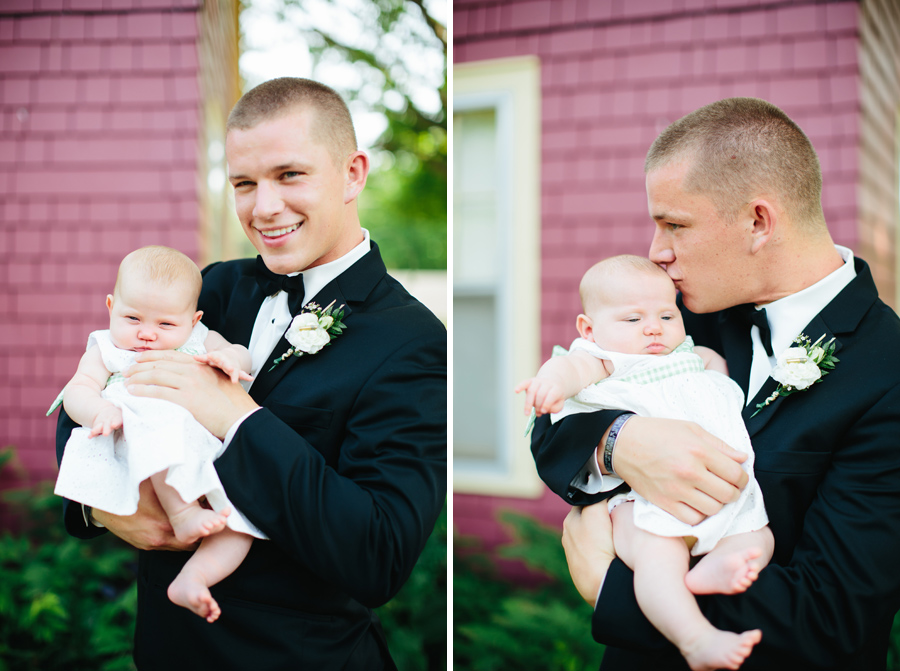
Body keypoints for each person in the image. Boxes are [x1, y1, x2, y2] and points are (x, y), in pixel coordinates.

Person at [55, 78, 447, 670]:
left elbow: (379, 554)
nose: (263, 208)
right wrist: (98, 506)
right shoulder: (211, 286)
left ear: (353, 173)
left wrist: (238, 417)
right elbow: (99, 387)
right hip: (166, 650)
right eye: (244, 183)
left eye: (290, 175)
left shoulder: (412, 340)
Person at [531, 97, 900, 670]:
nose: (657, 252)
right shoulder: (675, 318)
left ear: (758, 222)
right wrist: (618, 443)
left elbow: (834, 620)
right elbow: (552, 423)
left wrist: (609, 587)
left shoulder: (888, 370)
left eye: (675, 224)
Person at [519, 255, 772, 671]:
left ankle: (713, 572)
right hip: (644, 502)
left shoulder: (691, 353)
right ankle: (694, 637)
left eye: (666, 315)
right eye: (633, 319)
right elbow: (570, 369)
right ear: (589, 329)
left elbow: (720, 376)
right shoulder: (605, 359)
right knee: (659, 558)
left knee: (759, 539)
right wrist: (550, 384)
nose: (653, 328)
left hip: (727, 495)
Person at [51, 245, 262, 625]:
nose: (146, 334)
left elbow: (239, 352)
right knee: (159, 432)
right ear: (111, 306)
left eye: (165, 325)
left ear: (193, 319)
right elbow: (78, 390)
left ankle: (193, 578)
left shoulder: (199, 338)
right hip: (138, 443)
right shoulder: (108, 348)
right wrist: (99, 410)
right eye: (133, 318)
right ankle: (182, 514)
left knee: (241, 522)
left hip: (200, 454)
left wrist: (231, 360)